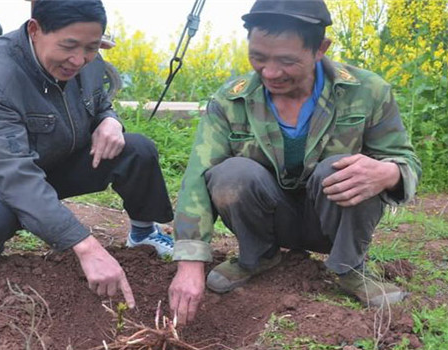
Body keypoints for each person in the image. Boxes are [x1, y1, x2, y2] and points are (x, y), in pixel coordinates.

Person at [168, 0, 421, 324]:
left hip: (332, 218)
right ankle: (258, 257)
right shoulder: (232, 99)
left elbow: (404, 159)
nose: (270, 73)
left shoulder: (367, 92)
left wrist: (387, 173)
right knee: (232, 174)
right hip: (267, 217)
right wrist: (190, 262)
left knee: (343, 168)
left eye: (287, 61)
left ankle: (349, 268)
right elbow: (197, 175)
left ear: (320, 49)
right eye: (258, 58)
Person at [0, 0, 174, 308]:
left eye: (91, 47)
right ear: (35, 30)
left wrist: (110, 121)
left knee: (136, 148)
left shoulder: (86, 59)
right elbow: (14, 175)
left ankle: (143, 234)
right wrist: (86, 246)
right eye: (69, 46)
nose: (79, 60)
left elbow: (100, 103)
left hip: (52, 156)